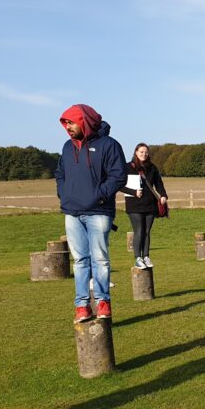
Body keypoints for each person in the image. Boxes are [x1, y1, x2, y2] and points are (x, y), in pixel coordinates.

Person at [55, 104, 127, 322]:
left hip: (99, 211)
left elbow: (118, 176)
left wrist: (99, 195)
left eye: (71, 121)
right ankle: (82, 306)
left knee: (100, 259)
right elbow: (60, 173)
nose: (67, 126)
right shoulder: (68, 147)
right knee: (80, 261)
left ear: (84, 120)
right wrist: (64, 194)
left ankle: (103, 302)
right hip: (72, 211)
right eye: (64, 122)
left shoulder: (109, 145)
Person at [119, 143, 168, 269]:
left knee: (146, 232)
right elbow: (119, 185)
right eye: (141, 152)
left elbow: (159, 183)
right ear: (136, 152)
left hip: (150, 204)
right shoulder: (127, 167)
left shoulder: (152, 168)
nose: (144, 154)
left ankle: (146, 256)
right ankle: (137, 258)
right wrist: (133, 192)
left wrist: (163, 195)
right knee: (139, 231)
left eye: (146, 152)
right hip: (134, 205)